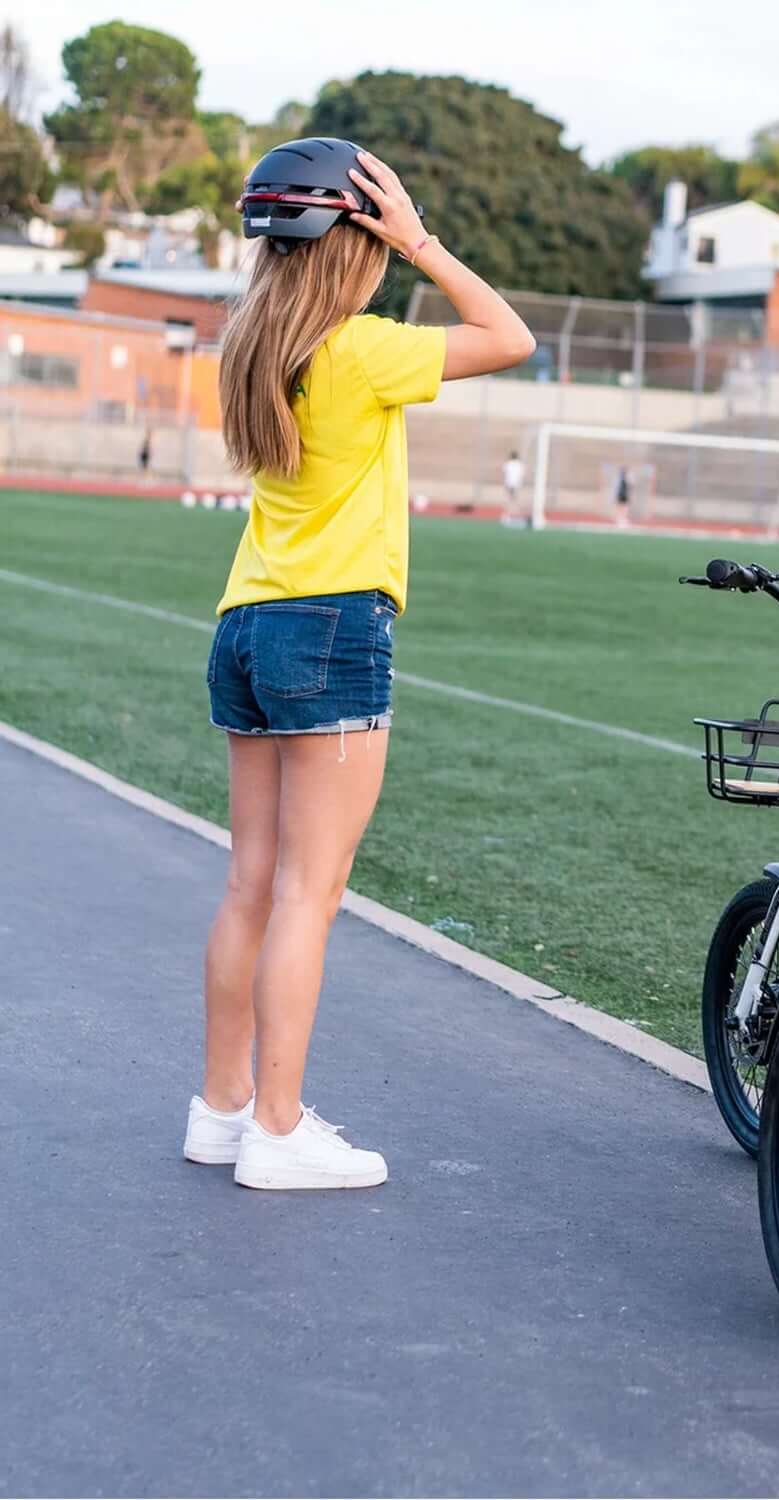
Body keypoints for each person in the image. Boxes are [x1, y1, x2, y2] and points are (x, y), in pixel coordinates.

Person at [186, 138, 535, 1189]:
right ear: (358, 244)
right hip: (331, 627)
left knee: (251, 883)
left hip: (246, 623)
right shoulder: (362, 349)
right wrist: (421, 241)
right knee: (309, 891)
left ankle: (223, 1110)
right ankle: (278, 1129)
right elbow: (509, 336)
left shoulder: (251, 345)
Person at [501, 449, 525, 518]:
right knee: (515, 498)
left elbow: (504, 472)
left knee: (509, 498)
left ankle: (508, 512)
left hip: (509, 482)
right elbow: (522, 474)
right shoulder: (520, 464)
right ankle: (515, 511)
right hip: (517, 483)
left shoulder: (508, 463)